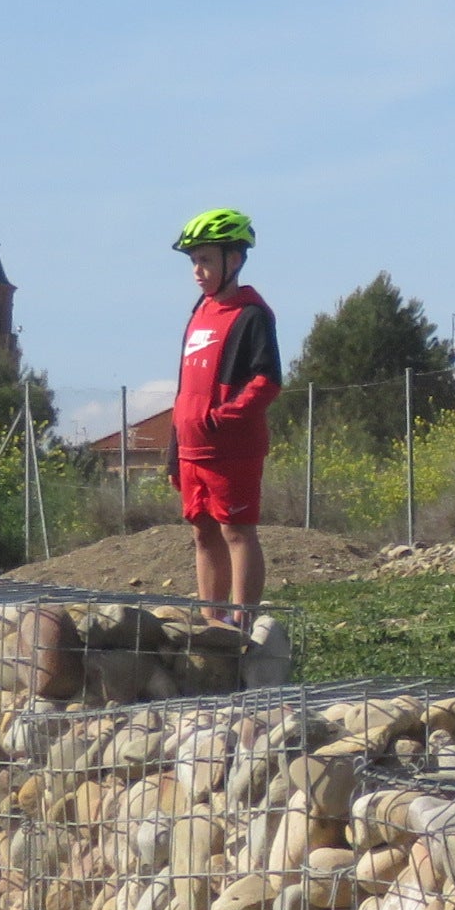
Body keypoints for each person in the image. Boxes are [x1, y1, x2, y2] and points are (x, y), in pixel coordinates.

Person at [171, 209, 283, 619]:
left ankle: (243, 622)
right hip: (191, 450)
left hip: (231, 449)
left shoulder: (251, 314)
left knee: (236, 532)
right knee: (203, 535)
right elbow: (186, 385)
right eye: (194, 261)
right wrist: (175, 445)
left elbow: (267, 380)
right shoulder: (199, 310)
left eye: (205, 260)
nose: (198, 271)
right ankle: (210, 621)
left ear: (233, 260)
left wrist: (222, 419)